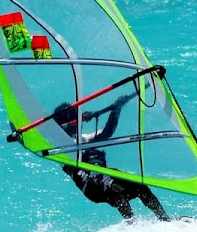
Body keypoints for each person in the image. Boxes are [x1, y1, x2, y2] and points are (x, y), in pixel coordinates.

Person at [52, 92, 171, 222]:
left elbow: (107, 132)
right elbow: (55, 130)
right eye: (74, 117)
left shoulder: (84, 138)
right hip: (90, 185)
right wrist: (79, 119)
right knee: (114, 189)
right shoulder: (59, 147)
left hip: (105, 176)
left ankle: (166, 221)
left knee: (140, 186)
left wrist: (116, 109)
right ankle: (133, 225)